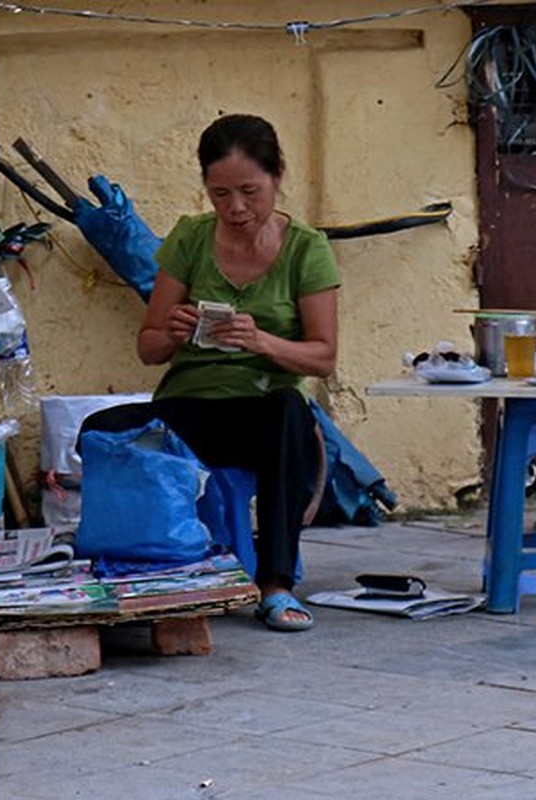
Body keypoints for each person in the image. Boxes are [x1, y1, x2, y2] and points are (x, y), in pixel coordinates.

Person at [79, 113, 340, 632]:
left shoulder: (306, 249)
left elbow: (323, 357)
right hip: (190, 410)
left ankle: (277, 583)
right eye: (221, 194)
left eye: (250, 191)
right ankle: (130, 566)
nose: (237, 208)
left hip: (262, 413)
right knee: (99, 431)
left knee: (289, 412)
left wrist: (261, 341)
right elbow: (148, 348)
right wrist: (173, 332)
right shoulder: (191, 239)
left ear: (277, 177)